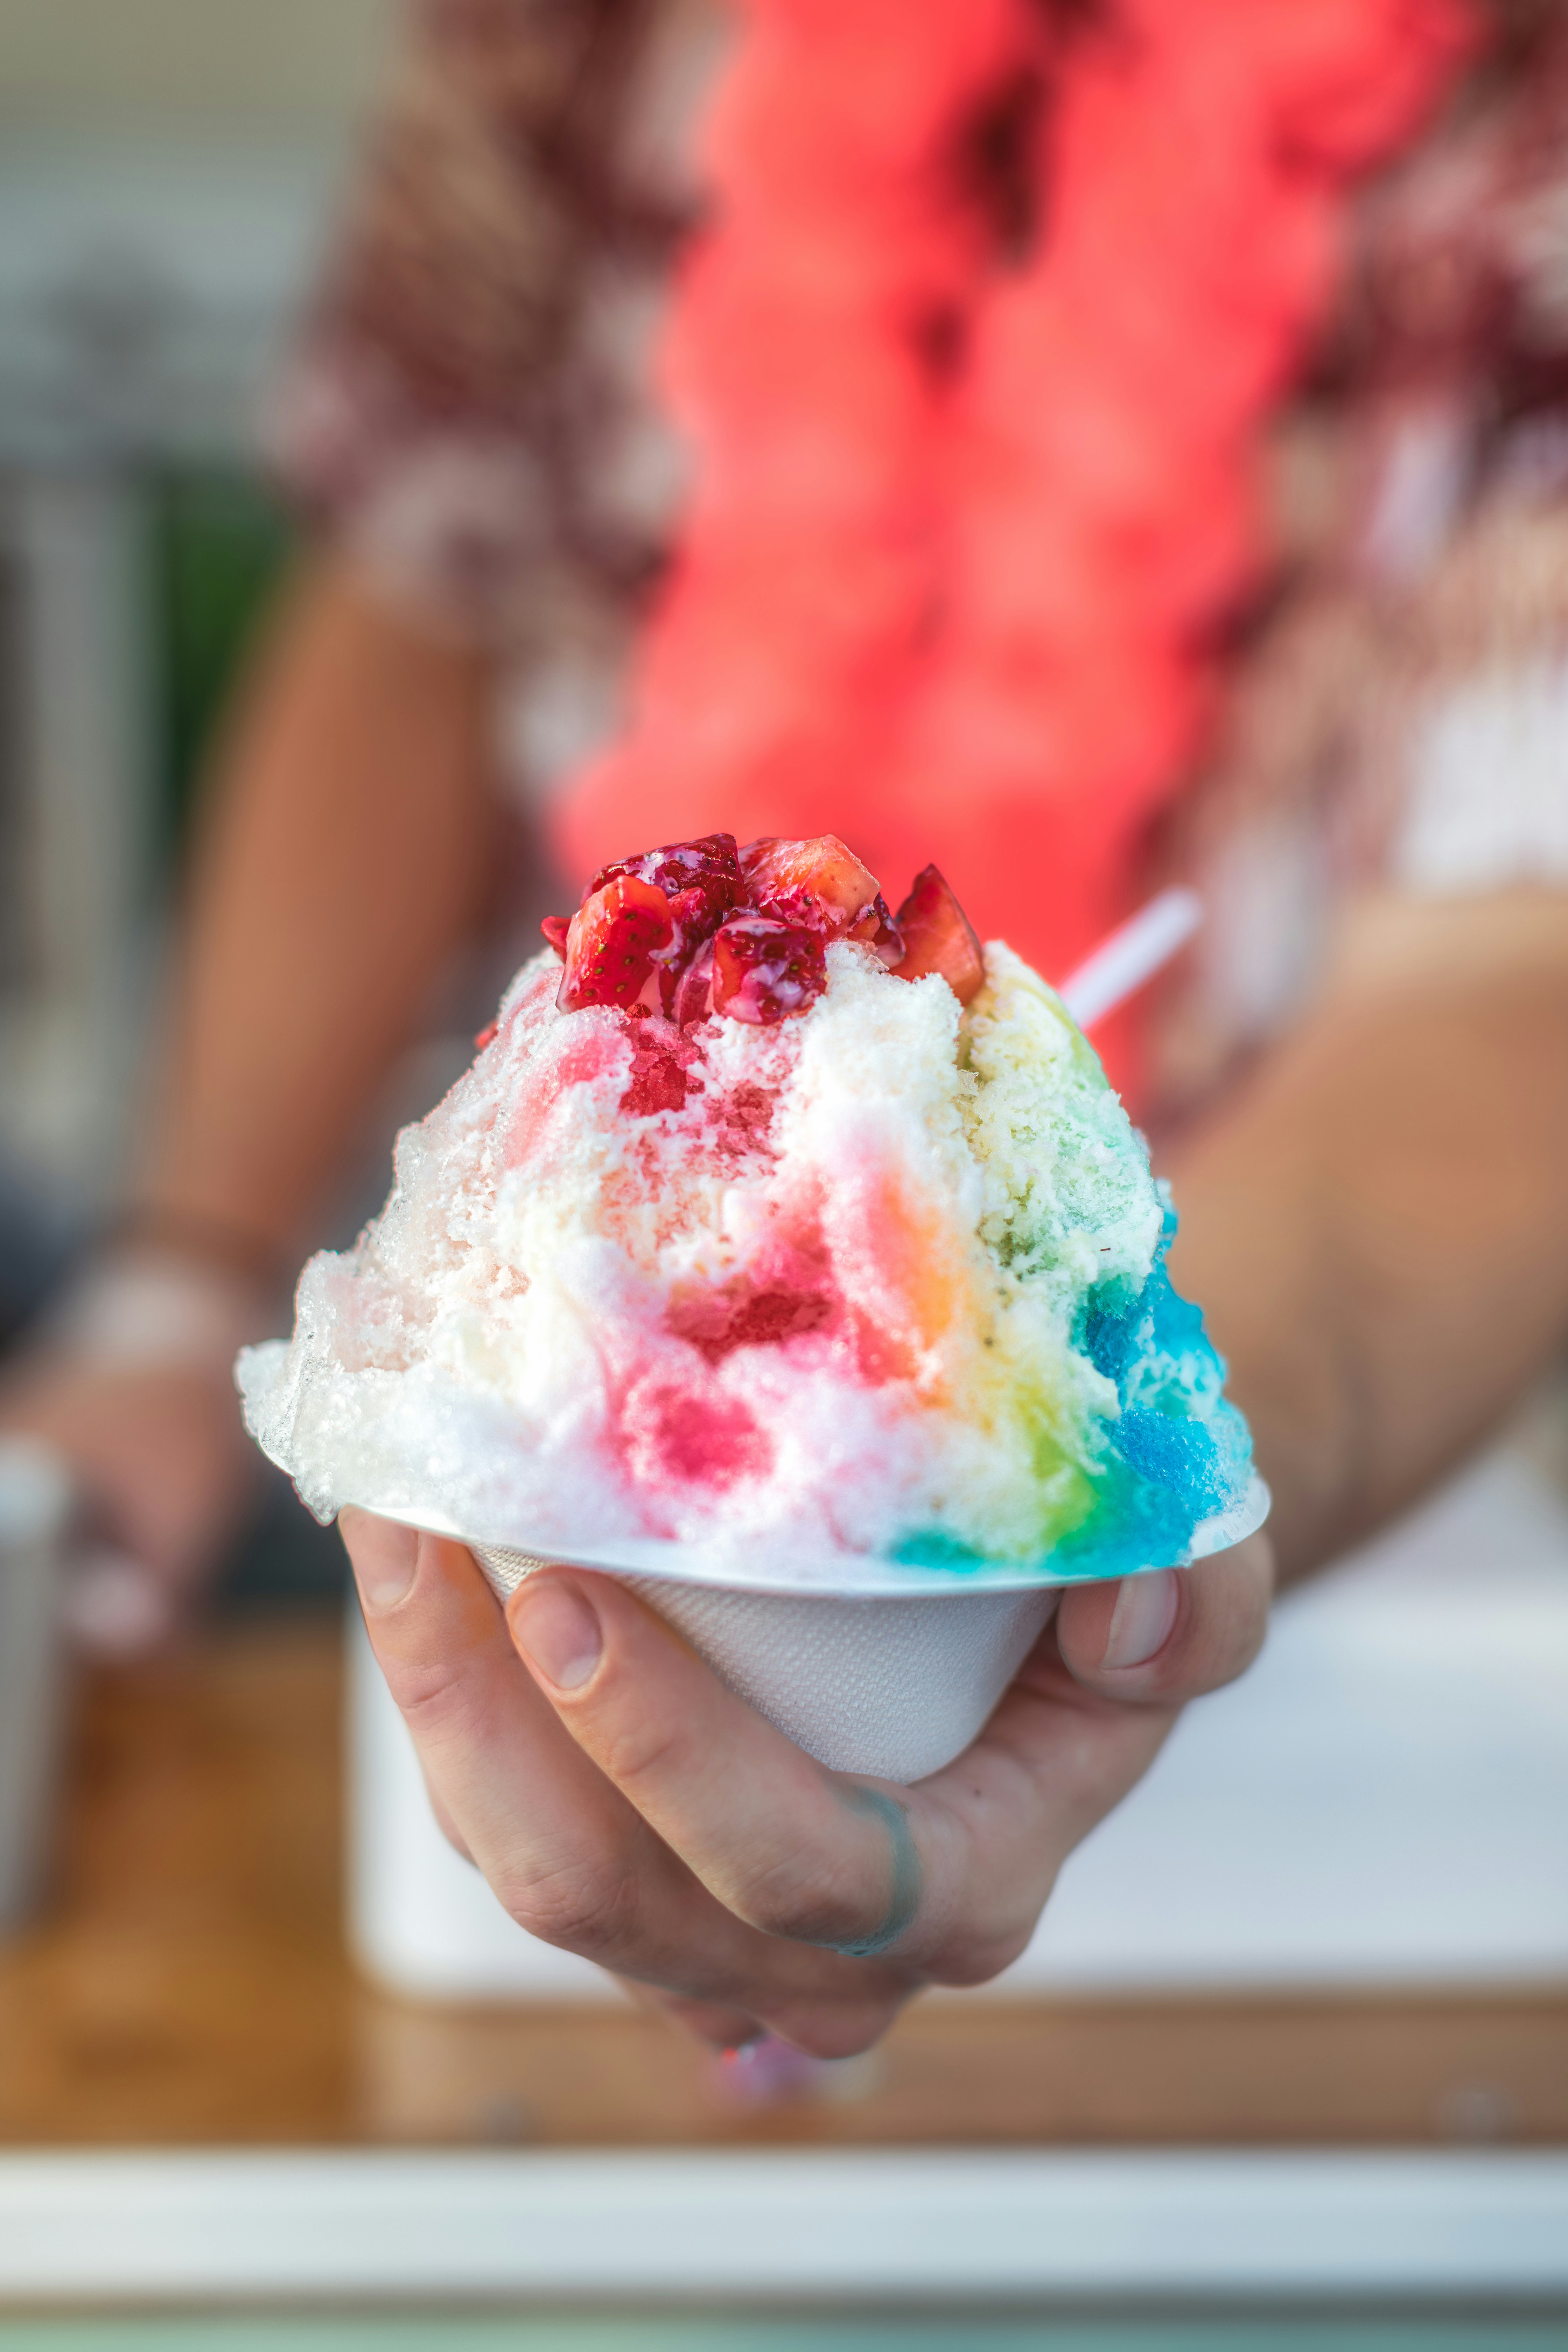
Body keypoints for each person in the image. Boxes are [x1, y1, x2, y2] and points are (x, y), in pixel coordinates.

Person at [5, 0, 1568, 2056]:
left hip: (1330, 1626)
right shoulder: (570, 45)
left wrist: (1061, 1464)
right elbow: (418, 590)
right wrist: (177, 1277)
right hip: (529, 1475)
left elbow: (1505, 997)